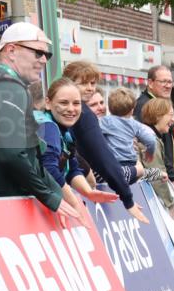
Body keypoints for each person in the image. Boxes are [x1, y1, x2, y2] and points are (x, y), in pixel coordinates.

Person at [0, 24, 79, 220]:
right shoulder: (10, 87)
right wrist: (51, 197)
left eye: (47, 55)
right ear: (11, 50)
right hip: (6, 207)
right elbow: (12, 154)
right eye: (38, 53)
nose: (43, 60)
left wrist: (57, 195)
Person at [63, 61, 150, 223]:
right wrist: (127, 197)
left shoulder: (76, 112)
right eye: (83, 83)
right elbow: (102, 158)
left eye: (93, 83)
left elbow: (71, 154)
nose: (90, 88)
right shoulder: (84, 114)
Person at [36, 78, 119, 211]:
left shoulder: (64, 130)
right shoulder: (47, 126)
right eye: (63, 103)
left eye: (76, 103)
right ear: (48, 103)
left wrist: (88, 193)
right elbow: (49, 169)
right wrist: (75, 204)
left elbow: (72, 165)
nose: (71, 109)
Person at [134, 65, 174, 194]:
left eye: (170, 82)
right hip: (157, 180)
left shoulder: (160, 103)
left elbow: (166, 144)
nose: (168, 86)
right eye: (163, 82)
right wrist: (173, 177)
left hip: (164, 174)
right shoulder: (145, 105)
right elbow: (153, 147)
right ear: (150, 83)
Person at [99, 88, 158, 176]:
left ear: (110, 108)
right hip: (132, 163)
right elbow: (151, 140)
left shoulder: (105, 121)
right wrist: (150, 153)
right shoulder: (135, 124)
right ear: (132, 110)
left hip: (114, 162)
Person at [139, 97, 174, 218]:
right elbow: (157, 176)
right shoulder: (150, 141)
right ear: (157, 116)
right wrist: (170, 204)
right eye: (170, 115)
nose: (173, 119)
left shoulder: (145, 135)